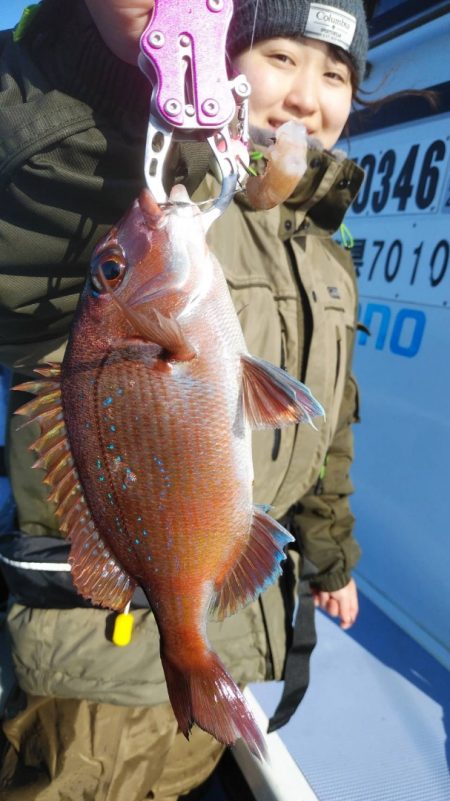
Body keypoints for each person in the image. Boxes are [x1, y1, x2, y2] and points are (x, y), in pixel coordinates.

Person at [0, 0, 367, 798]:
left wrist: (331, 556)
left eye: (335, 74)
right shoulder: (165, 196)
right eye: (279, 57)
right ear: (214, 67)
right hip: (91, 681)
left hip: (235, 642)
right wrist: (110, 61)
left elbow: (329, 427)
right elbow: (34, 209)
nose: (307, 94)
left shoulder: (329, 261)